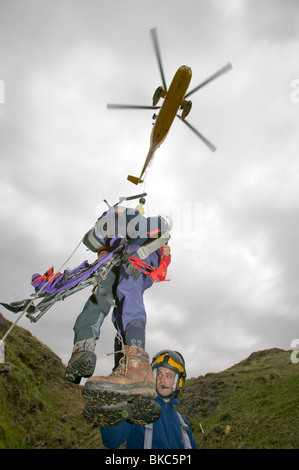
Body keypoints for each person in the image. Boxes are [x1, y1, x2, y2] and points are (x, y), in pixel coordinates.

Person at [65, 204, 172, 385]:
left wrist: (127, 214)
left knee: (127, 296)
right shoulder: (129, 228)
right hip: (121, 260)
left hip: (136, 260)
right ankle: (85, 350)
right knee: (104, 296)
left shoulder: (150, 225)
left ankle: (135, 365)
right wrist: (104, 251)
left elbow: (146, 230)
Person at [93, 350, 197, 449]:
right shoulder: (138, 409)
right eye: (159, 374)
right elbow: (111, 441)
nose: (161, 380)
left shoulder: (183, 424)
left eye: (168, 376)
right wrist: (115, 402)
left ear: (178, 382)